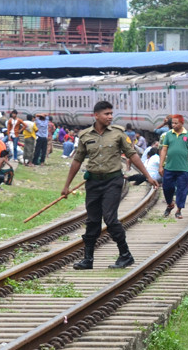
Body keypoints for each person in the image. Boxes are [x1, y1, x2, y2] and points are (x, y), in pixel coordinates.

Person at [61, 101, 159, 270]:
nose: (110, 117)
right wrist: (66, 186)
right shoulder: (85, 136)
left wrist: (148, 176)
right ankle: (88, 259)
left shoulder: (118, 134)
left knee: (110, 218)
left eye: (111, 114)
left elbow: (133, 155)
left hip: (113, 181)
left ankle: (125, 255)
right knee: (92, 220)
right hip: (93, 182)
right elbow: (77, 161)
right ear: (96, 115)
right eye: (106, 114)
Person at [159, 114, 188, 219]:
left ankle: (179, 210)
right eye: (172, 123)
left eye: (176, 123)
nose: (173, 125)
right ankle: (170, 204)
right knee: (167, 188)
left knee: (182, 189)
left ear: (182, 123)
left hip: (183, 168)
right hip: (169, 167)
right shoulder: (168, 135)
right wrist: (161, 166)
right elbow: (164, 150)